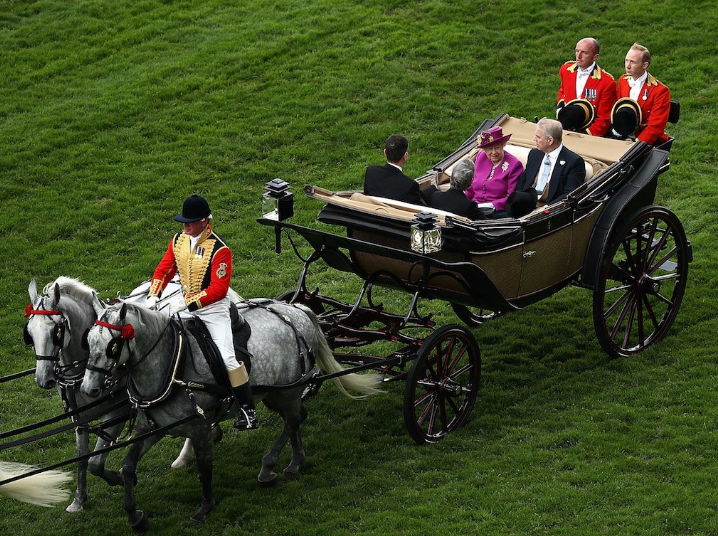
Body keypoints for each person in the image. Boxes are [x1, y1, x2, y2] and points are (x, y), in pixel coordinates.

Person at [145, 195, 258, 431]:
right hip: (185, 304)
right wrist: (153, 295)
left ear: (205, 221)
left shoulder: (220, 249)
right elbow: (164, 269)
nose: (185, 226)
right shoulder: (178, 240)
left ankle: (248, 410)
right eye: (184, 221)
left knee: (227, 357)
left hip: (213, 311)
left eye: (191, 221)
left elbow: (219, 289)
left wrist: (190, 304)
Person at [506, 118, 586, 218]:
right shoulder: (534, 154)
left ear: (550, 140)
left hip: (550, 214)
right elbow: (523, 181)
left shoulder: (574, 162)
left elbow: (570, 194)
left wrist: (546, 209)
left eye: (538, 137)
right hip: (524, 209)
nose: (534, 139)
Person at [556, 37, 617, 137]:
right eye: (577, 51)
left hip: (589, 133)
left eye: (584, 52)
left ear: (595, 57)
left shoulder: (607, 82)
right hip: (566, 126)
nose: (578, 56)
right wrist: (560, 111)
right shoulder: (565, 69)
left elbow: (604, 118)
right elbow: (562, 92)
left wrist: (586, 135)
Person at [613, 43, 670, 145]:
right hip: (623, 137)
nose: (628, 66)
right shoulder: (623, 80)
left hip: (646, 141)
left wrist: (636, 144)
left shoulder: (660, 91)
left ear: (645, 65)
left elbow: (655, 126)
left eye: (633, 62)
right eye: (626, 60)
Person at [464, 126, 523, 217]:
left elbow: (512, 198)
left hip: (497, 212)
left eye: (497, 147)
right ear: (484, 149)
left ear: (503, 145)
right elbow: (471, 187)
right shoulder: (481, 156)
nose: (494, 152)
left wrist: (490, 205)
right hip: (473, 207)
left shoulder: (514, 164)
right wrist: (462, 201)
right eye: (490, 148)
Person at [364, 134, 427, 205]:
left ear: (385, 153)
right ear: (405, 156)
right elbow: (420, 210)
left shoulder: (371, 171)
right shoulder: (409, 185)